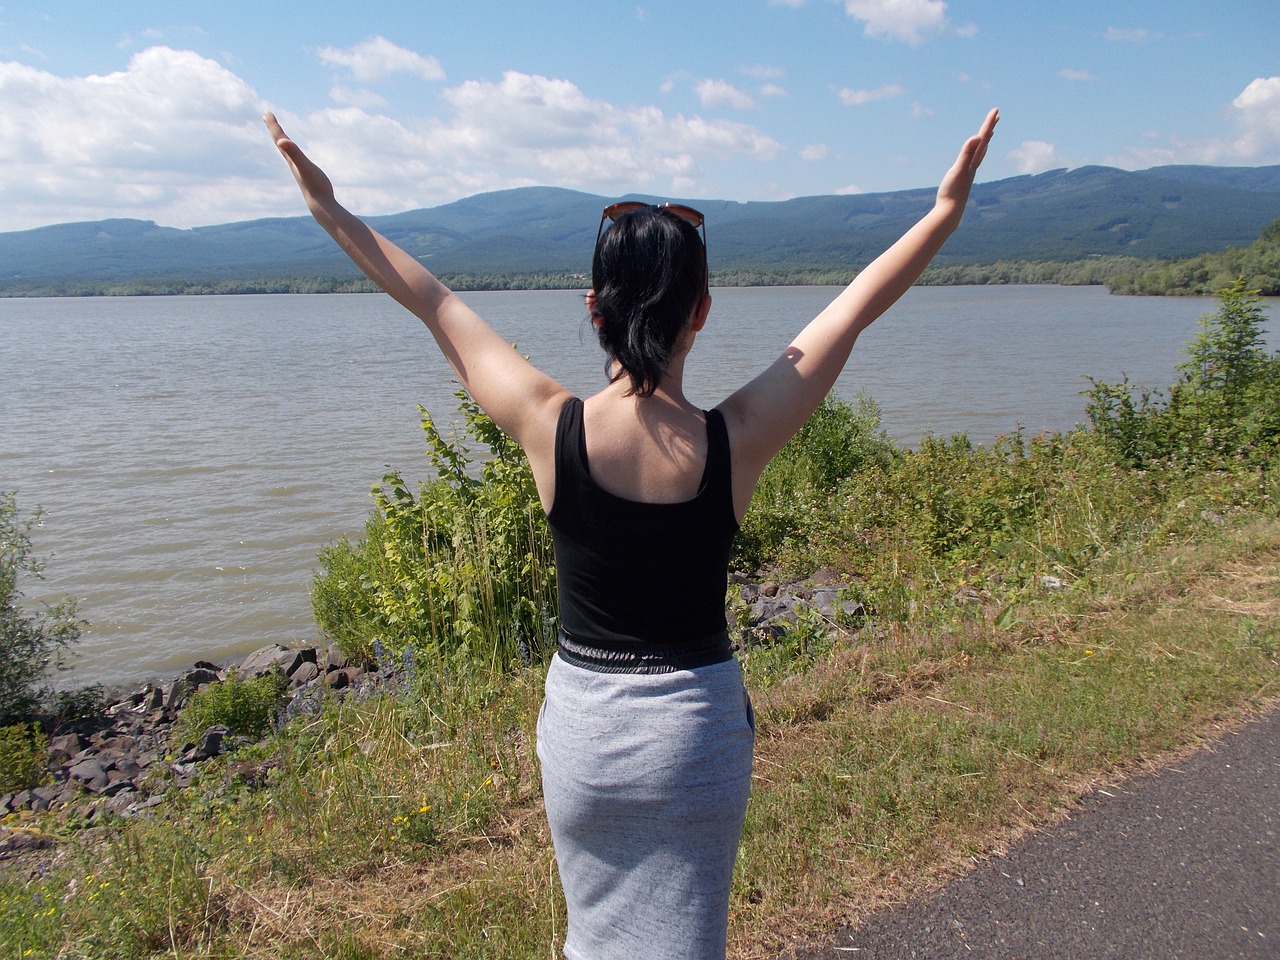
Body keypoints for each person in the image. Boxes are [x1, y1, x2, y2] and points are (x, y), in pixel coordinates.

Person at [265, 107, 998, 960]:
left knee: (595, 939)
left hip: (588, 732)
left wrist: (329, 209)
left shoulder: (550, 425)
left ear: (594, 310)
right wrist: (945, 210)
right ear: (703, 312)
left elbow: (431, 300)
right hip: (696, 731)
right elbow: (853, 309)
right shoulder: (739, 436)